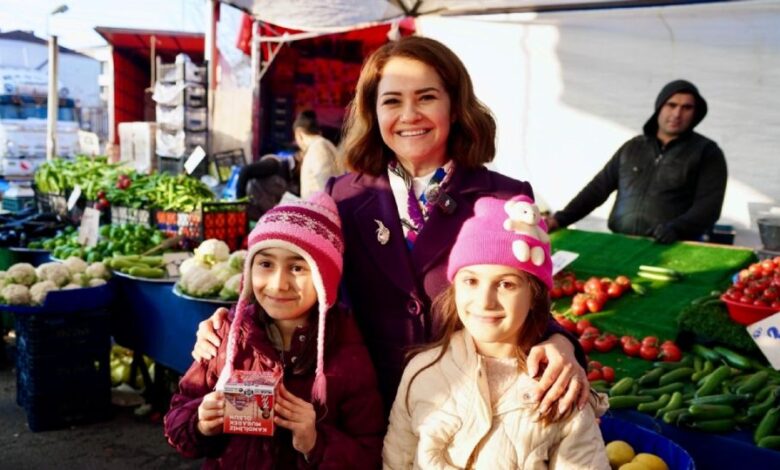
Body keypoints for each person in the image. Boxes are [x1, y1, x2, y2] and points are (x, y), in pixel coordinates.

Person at [194, 36, 587, 419]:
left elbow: (529, 302)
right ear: (373, 112)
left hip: (469, 413)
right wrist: (232, 324)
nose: (409, 115)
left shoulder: (505, 197)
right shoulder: (341, 196)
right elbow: (300, 286)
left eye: (426, 97)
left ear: (455, 106)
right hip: (364, 414)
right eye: (392, 101)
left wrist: (561, 342)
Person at [382, 195, 609, 469]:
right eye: (471, 281)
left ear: (534, 296)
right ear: (454, 289)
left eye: (506, 284)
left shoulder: (560, 389)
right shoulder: (421, 371)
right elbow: (397, 460)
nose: (485, 301)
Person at [165, 193, 385, 468]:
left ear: (325, 278)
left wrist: (315, 443)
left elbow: (369, 454)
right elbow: (176, 422)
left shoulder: (346, 352)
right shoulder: (226, 336)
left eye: (297, 267)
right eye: (266, 264)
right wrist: (199, 423)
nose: (278, 284)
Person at [546, 79, 727, 243]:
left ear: (696, 113)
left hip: (673, 246)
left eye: (687, 108)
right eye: (671, 105)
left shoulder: (707, 152)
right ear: (659, 107)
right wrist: (560, 219)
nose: (677, 113)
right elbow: (597, 189)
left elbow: (708, 208)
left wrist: (676, 228)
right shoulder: (632, 147)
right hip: (619, 243)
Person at [294, 110, 342, 199]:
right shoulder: (321, 145)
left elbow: (326, 187)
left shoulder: (318, 147)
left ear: (299, 133)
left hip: (322, 206)